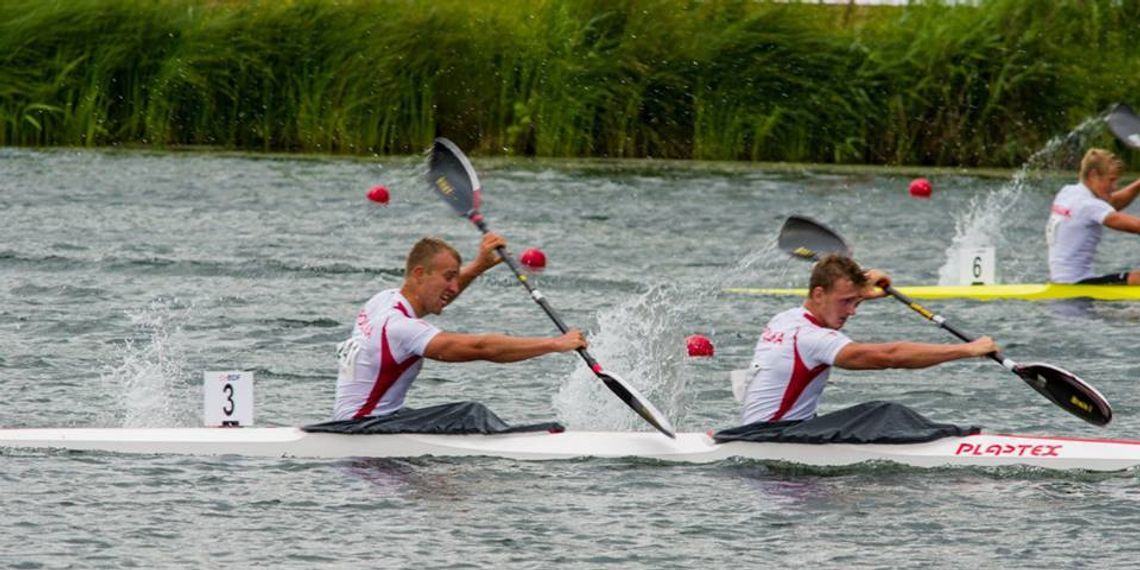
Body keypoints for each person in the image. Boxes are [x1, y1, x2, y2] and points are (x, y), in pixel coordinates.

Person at [331, 233, 586, 421]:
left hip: (355, 423)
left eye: (456, 277)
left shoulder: (382, 301)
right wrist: (555, 344)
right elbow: (482, 348)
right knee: (470, 415)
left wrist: (478, 266)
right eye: (448, 277)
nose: (454, 288)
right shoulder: (400, 328)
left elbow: (436, 298)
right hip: (364, 429)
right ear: (420, 274)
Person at [739, 255, 998, 424]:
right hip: (775, 437)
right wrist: (967, 349)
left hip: (757, 431)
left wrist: (863, 290)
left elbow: (839, 295)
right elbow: (891, 356)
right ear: (818, 294)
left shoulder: (785, 319)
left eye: (857, 301)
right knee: (887, 414)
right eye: (846, 302)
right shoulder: (814, 339)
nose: (852, 311)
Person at [1046, 148, 1140, 285]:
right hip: (1078, 283)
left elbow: (1112, 203)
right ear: (1094, 174)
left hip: (1059, 280)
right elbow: (1136, 226)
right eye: (1111, 180)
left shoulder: (1067, 192)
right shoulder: (1089, 205)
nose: (1114, 186)